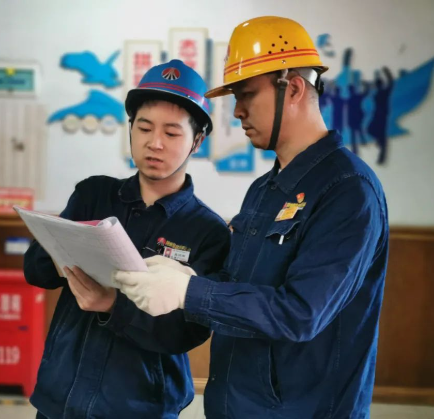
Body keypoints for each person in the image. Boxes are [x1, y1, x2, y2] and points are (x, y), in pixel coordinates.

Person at [115, 16, 389, 419]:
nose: (237, 111)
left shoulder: (348, 191)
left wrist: (189, 293)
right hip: (236, 404)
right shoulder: (265, 189)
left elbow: (301, 313)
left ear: (293, 88)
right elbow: (240, 287)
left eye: (246, 95)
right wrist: (190, 279)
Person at [24, 59, 230, 419]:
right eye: (144, 127)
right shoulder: (94, 195)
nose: (155, 143)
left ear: (197, 141)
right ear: (131, 128)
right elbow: (35, 271)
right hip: (62, 396)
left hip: (141, 406)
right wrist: (62, 253)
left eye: (172, 133)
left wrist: (112, 305)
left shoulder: (207, 231)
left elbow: (187, 333)